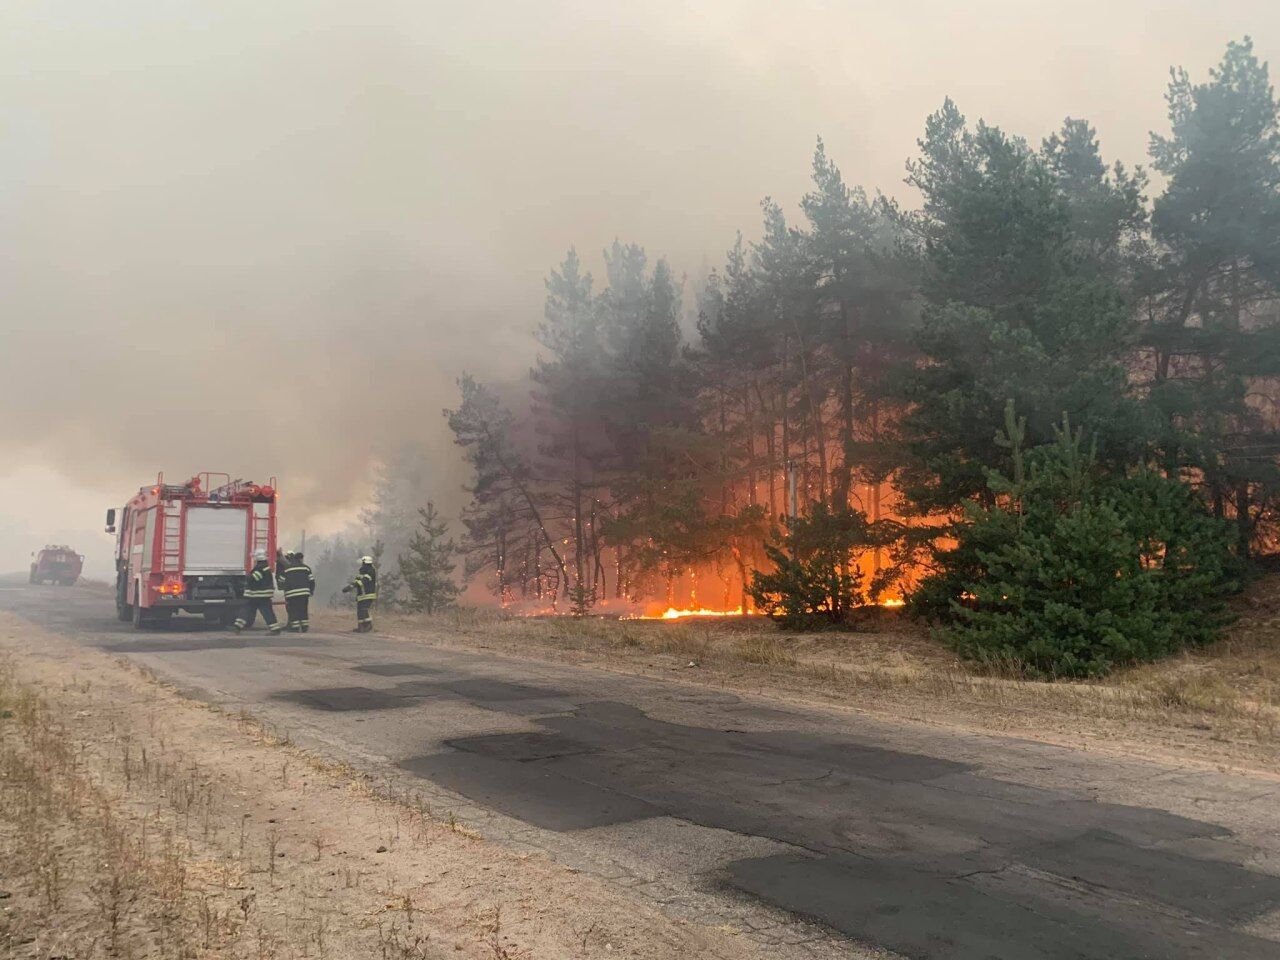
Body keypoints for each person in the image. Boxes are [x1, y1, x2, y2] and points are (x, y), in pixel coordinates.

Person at [235, 548, 281, 633]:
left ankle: (238, 627)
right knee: (265, 612)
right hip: (261, 595)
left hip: (257, 595)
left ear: (257, 558)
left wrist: (247, 579)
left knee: (247, 610)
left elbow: (253, 579)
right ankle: (238, 626)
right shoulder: (265, 567)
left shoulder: (260, 568)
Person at [279, 549, 316, 632]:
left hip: (291, 594)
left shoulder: (287, 568)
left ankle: (295, 628)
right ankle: (304, 627)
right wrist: (311, 591)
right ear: (301, 559)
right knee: (303, 610)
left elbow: (281, 581)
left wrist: (284, 588)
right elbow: (312, 581)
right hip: (304, 593)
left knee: (293, 611)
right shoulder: (306, 568)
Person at [342, 555, 377, 632]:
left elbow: (363, 581)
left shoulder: (371, 571)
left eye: (363, 563)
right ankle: (361, 627)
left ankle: (368, 626)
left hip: (368, 594)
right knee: (360, 612)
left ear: (365, 563)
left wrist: (354, 585)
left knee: (364, 610)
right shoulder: (362, 571)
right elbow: (356, 581)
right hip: (361, 595)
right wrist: (349, 587)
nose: (362, 564)